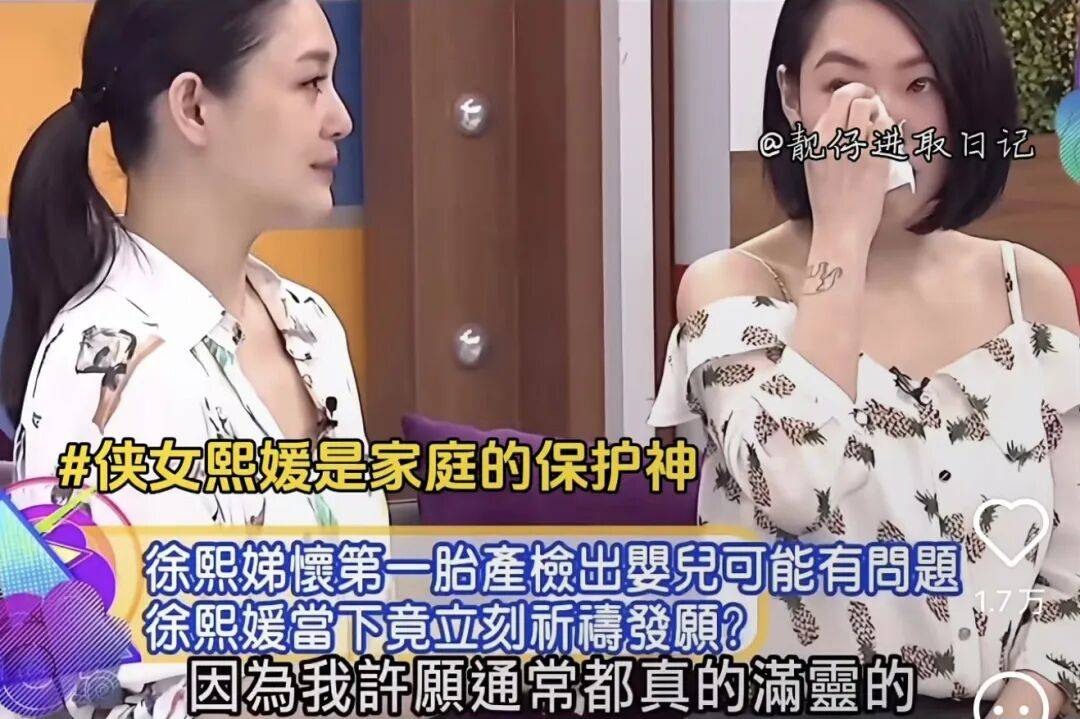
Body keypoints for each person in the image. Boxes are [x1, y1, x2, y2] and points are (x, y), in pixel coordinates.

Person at [649, 0, 1080, 716]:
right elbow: (793, 489)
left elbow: (1070, 577)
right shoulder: (730, 288)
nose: (882, 124)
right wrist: (843, 235)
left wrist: (1027, 701)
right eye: (845, 87)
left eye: (921, 85)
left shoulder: (1029, 291)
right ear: (793, 99)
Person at [0, 1, 389, 715]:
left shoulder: (311, 328)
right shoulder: (109, 370)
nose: (341, 119)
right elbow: (88, 694)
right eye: (310, 82)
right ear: (195, 107)